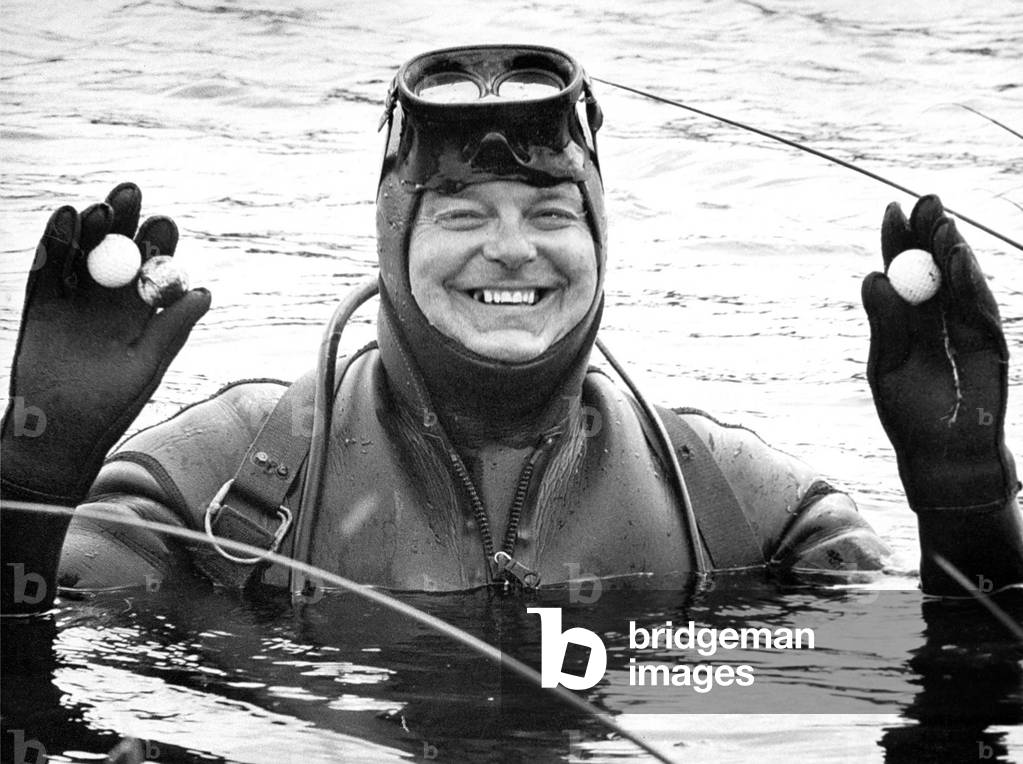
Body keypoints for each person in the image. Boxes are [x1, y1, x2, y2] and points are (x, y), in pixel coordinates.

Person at [2, 44, 1021, 616]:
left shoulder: (739, 507)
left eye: (547, 214)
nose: (510, 250)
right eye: (459, 215)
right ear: (395, 240)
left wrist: (967, 491)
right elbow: (29, 702)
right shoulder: (214, 478)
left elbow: (947, 698)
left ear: (598, 240)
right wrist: (32, 475)